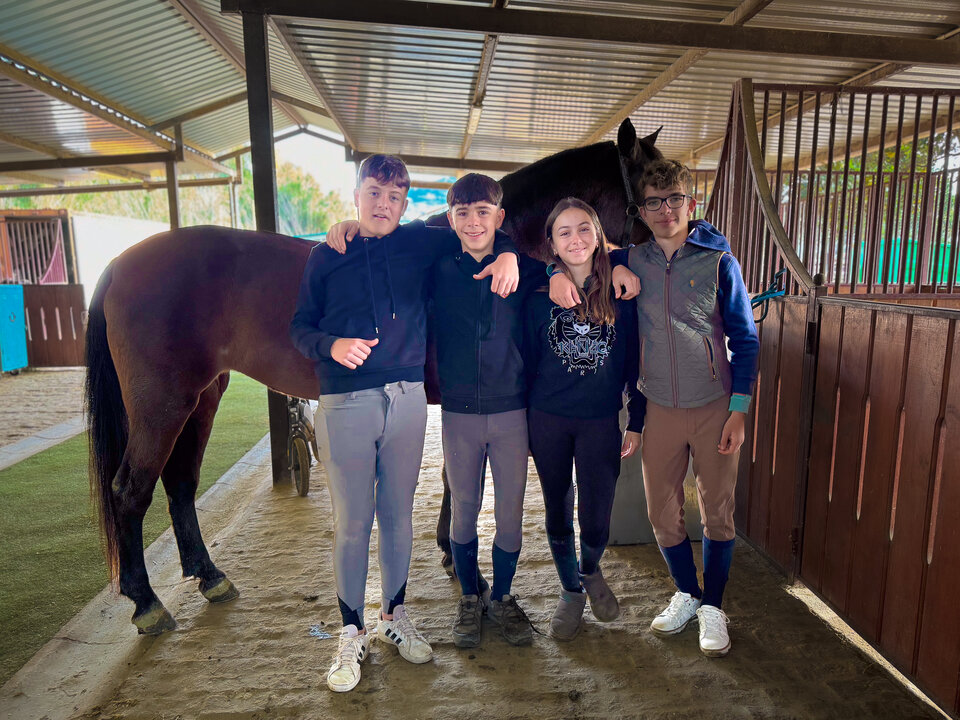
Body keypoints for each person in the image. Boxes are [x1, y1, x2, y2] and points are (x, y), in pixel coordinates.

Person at [289, 154, 519, 693]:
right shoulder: (327, 255)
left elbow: (478, 233)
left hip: (409, 398)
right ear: (357, 194)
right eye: (373, 193)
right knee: (352, 521)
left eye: (394, 197)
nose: (383, 205)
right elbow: (300, 326)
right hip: (346, 401)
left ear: (406, 202)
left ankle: (394, 616)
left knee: (398, 515)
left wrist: (507, 255)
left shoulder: (422, 240)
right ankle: (351, 630)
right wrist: (331, 345)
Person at [627, 159, 759, 657]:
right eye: (654, 203)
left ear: (691, 203)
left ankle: (714, 606)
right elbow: (573, 253)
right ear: (642, 211)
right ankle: (687, 591)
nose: (665, 211)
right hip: (658, 404)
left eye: (674, 200)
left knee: (716, 509)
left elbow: (745, 339)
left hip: (714, 404)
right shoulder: (633, 260)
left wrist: (739, 409)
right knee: (662, 509)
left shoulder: (718, 261)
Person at [430, 172, 548, 649]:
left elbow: (566, 268)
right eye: (462, 213)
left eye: (483, 213)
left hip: (509, 414)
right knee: (462, 510)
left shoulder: (524, 267)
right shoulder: (437, 266)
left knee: (511, 513)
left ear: (499, 217)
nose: (473, 222)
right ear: (450, 218)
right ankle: (469, 598)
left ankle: (501, 596)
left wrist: (514, 254)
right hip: (458, 414)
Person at [524, 197, 644, 641]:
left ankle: (590, 568)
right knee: (557, 507)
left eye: (583, 229)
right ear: (552, 245)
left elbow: (633, 364)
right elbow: (527, 363)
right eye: (564, 232)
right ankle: (571, 591)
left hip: (599, 421)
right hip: (548, 419)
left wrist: (637, 420)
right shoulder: (537, 300)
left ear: (598, 236)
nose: (574, 239)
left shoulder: (623, 293)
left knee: (597, 514)